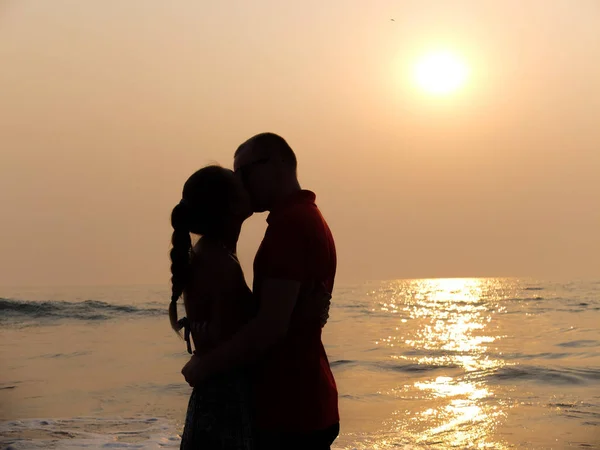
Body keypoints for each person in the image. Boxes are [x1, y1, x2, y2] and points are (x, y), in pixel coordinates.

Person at [182, 133, 340, 450]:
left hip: (291, 407)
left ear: (277, 163)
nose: (239, 183)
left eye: (243, 172)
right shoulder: (298, 220)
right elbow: (268, 322)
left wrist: (203, 366)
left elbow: (269, 326)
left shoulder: (291, 226)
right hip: (293, 402)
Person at [169, 165, 257, 450]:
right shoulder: (219, 263)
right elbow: (228, 336)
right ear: (230, 206)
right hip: (225, 399)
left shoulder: (208, 254)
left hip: (216, 395)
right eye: (240, 183)